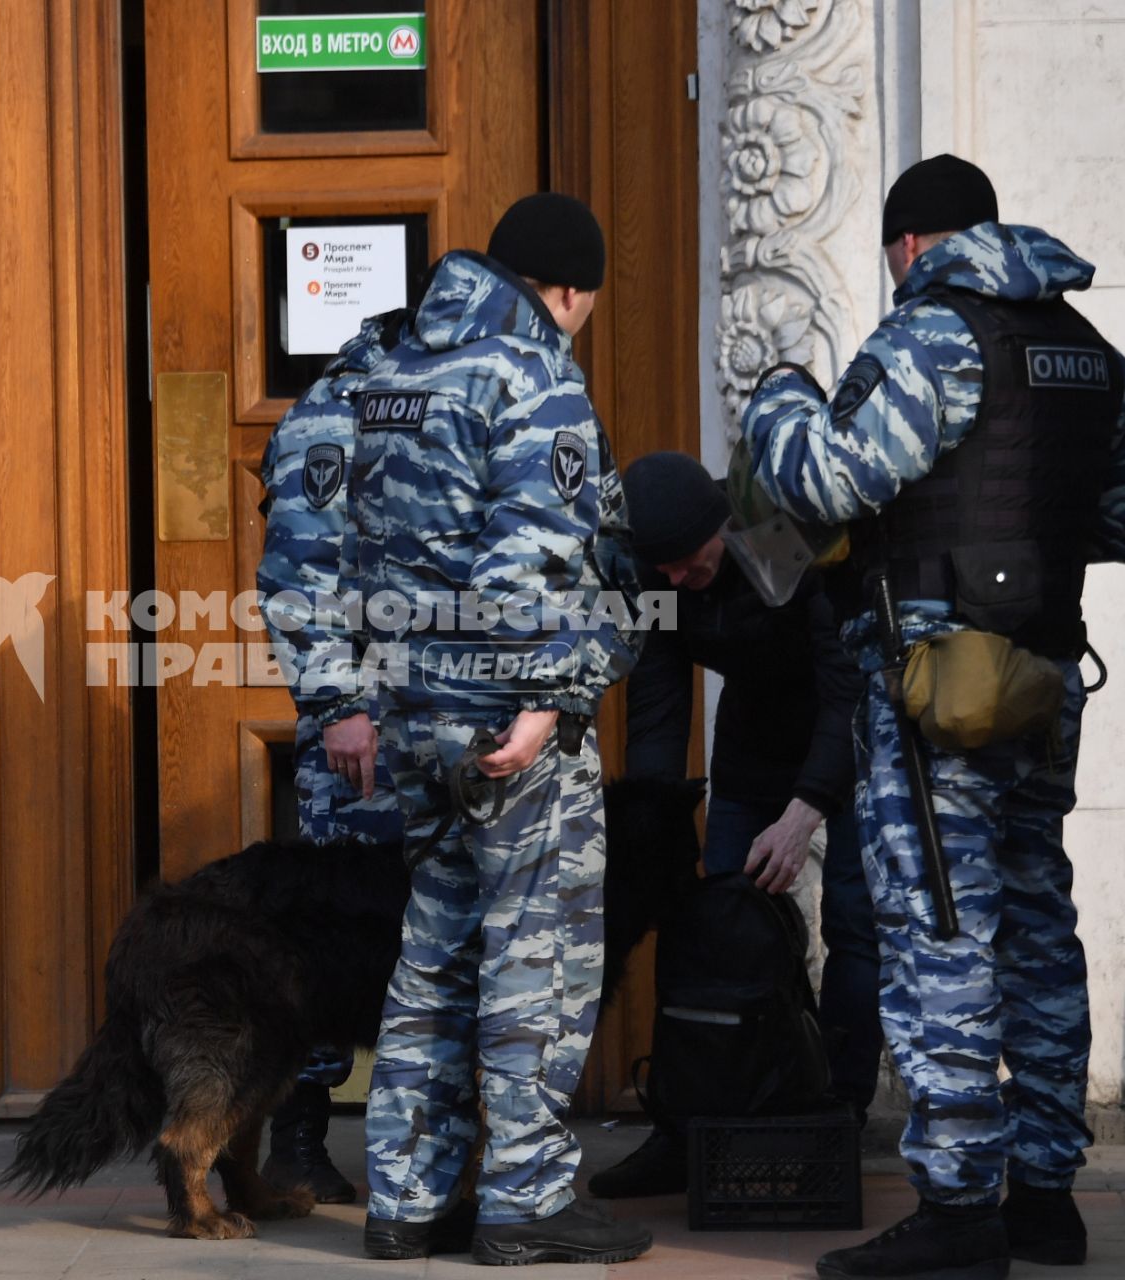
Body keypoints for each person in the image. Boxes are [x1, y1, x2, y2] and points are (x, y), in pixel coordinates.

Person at [740, 155, 1125, 1280]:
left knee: (940, 927)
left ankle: (958, 1208)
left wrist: (782, 395)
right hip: (1041, 675)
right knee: (1036, 925)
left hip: (935, 682)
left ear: (908, 245)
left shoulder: (935, 334)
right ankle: (1045, 1196)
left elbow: (831, 484)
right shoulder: (1089, 352)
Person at [352, 194, 651, 1267]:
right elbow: (526, 559)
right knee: (539, 953)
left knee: (431, 951)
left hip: (413, 710)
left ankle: (405, 1196)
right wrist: (539, 705)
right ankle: (524, 1199)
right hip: (508, 723)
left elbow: (357, 552)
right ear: (567, 289)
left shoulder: (389, 374)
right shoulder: (534, 375)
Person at [583, 450, 876, 1201]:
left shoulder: (772, 539)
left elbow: (845, 683)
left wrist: (809, 805)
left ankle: (836, 1114)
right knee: (704, 927)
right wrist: (652, 818)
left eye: (689, 561)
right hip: (748, 755)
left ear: (724, 529)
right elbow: (656, 698)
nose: (678, 580)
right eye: (665, 571)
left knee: (854, 922)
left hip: (844, 749)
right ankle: (686, 1124)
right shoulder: (657, 574)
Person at [256, 308, 411, 1204]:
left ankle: (404, 1153)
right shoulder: (334, 413)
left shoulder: (422, 400)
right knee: (336, 936)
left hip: (424, 728)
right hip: (358, 737)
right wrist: (341, 707)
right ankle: (297, 1143)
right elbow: (296, 583)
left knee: (410, 938)